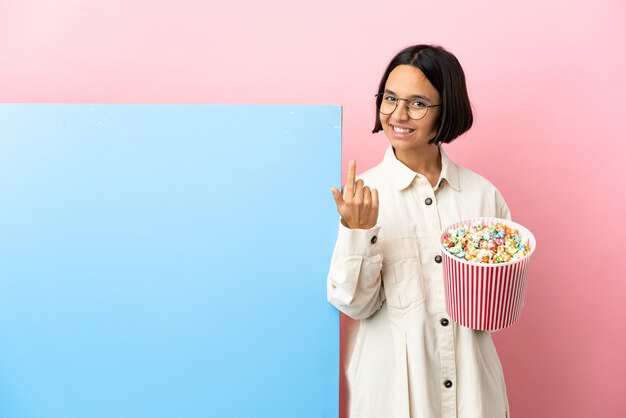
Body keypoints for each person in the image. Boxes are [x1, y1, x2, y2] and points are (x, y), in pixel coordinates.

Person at [327, 44, 512, 418]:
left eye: (417, 103)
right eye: (390, 98)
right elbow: (353, 303)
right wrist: (358, 232)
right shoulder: (359, 197)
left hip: (473, 393)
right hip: (394, 396)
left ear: (448, 109)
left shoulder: (482, 196)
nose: (398, 114)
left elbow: (495, 308)